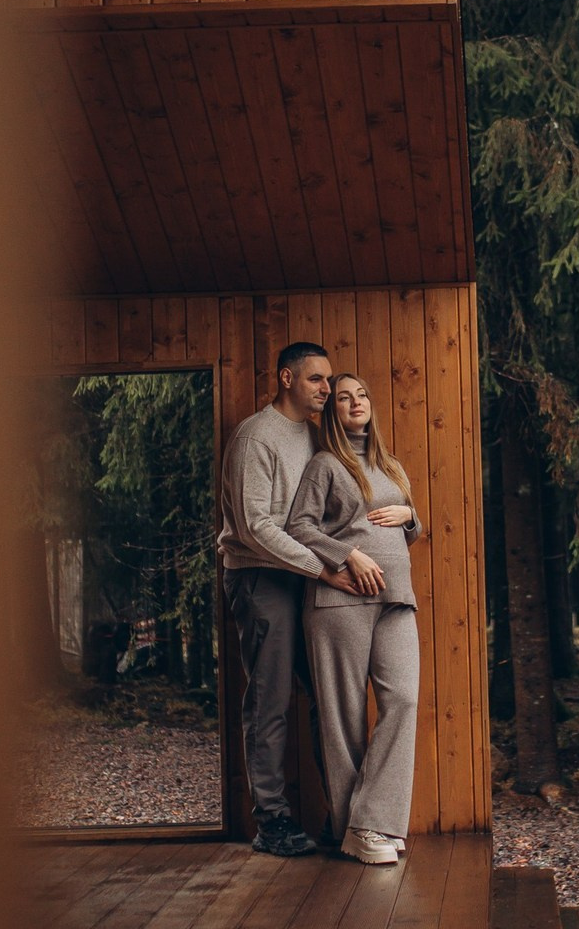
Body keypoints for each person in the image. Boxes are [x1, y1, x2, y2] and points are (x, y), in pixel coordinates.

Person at [218, 341, 358, 857]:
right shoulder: (257, 437)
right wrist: (325, 568)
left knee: (328, 697)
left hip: (306, 580)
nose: (326, 389)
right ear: (286, 378)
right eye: (316, 379)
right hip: (260, 579)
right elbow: (256, 528)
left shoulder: (315, 434)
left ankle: (342, 817)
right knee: (270, 701)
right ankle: (272, 822)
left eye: (328, 381)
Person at [285, 373, 422, 865]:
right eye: (343, 397)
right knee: (343, 721)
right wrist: (347, 555)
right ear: (333, 412)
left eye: (362, 393)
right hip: (338, 602)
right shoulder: (325, 465)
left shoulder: (391, 466)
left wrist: (410, 517)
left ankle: (370, 822)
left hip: (395, 599)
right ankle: (356, 831)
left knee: (403, 701)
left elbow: (408, 532)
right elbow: (298, 526)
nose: (355, 402)